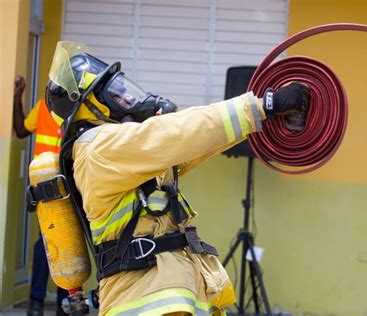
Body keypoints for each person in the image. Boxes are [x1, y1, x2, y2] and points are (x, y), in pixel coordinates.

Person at [45, 41, 310, 316]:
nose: (125, 99)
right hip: (146, 300)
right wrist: (262, 105)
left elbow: (187, 146)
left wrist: (259, 119)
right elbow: (177, 134)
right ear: (90, 107)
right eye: (114, 94)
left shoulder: (121, 152)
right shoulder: (100, 147)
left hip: (159, 292)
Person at [13, 75, 69, 316]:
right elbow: (21, 129)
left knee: (62, 246)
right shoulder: (43, 107)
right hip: (47, 188)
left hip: (67, 188)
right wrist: (17, 97)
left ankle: (57, 304)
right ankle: (45, 303)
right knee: (52, 245)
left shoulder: (77, 112)